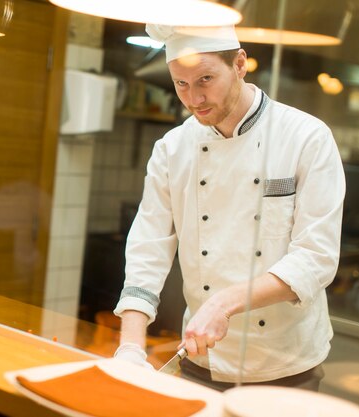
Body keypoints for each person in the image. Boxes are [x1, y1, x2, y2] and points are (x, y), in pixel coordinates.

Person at [113, 24, 345, 391]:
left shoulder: (306, 137)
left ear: (240, 64)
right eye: (181, 84)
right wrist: (130, 345)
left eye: (206, 79)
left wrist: (223, 303)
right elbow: (149, 246)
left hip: (284, 368)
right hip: (200, 358)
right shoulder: (172, 149)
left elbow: (316, 258)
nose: (194, 99)